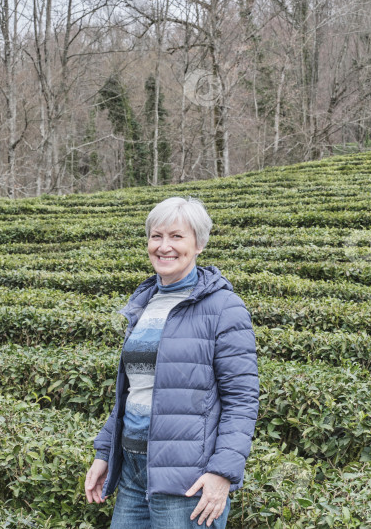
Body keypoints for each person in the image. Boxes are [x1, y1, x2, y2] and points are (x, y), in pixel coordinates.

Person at [84, 196, 259, 528]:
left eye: (177, 236)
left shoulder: (224, 307)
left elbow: (242, 400)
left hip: (188, 478)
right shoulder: (145, 301)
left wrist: (222, 473)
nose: (164, 246)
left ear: (199, 244)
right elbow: (134, 390)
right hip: (133, 470)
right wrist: (105, 452)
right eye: (156, 236)